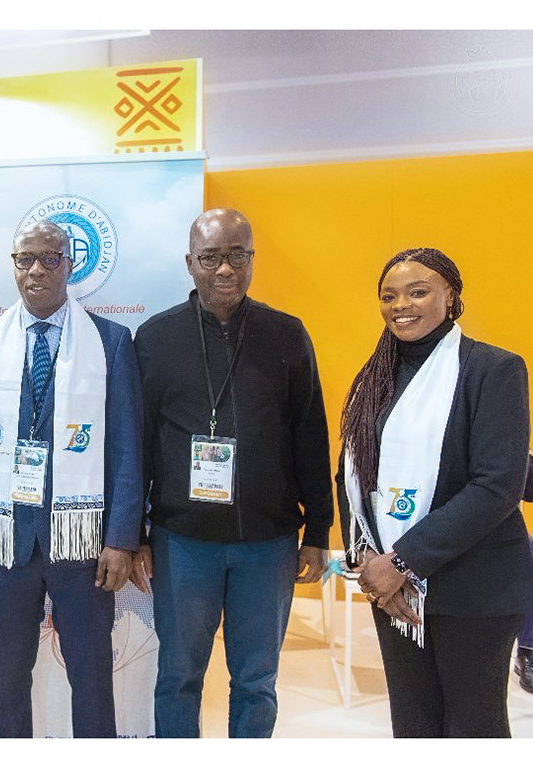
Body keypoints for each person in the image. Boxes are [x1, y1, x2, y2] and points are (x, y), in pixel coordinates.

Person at [131, 208, 333, 738]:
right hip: (182, 542)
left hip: (267, 543)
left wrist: (318, 530)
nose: (225, 269)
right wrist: (133, 535)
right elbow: (140, 443)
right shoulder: (155, 338)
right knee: (178, 676)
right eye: (211, 257)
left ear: (252, 258)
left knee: (256, 681)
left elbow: (311, 435)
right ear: (189, 263)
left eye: (237, 255)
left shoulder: (287, 334)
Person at [339, 247, 533, 737]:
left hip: (474, 587)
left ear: (450, 295)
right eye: (389, 296)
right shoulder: (375, 378)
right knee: (413, 726)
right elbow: (351, 475)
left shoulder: (493, 369)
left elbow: (497, 486)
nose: (400, 305)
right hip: (393, 591)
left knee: (473, 728)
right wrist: (369, 563)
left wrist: (402, 562)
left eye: (417, 291)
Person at [0, 220, 143, 738]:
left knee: (92, 675)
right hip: (5, 540)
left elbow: (126, 446)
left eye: (50, 258)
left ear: (69, 264)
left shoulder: (110, 341)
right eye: (25, 259)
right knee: (9, 676)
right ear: (14, 265)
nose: (36, 269)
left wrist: (121, 539)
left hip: (83, 544)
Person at [515, 452, 533, 694]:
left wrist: (524, 453)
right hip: (457, 524)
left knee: (532, 553)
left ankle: (527, 652)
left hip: (504, 531)